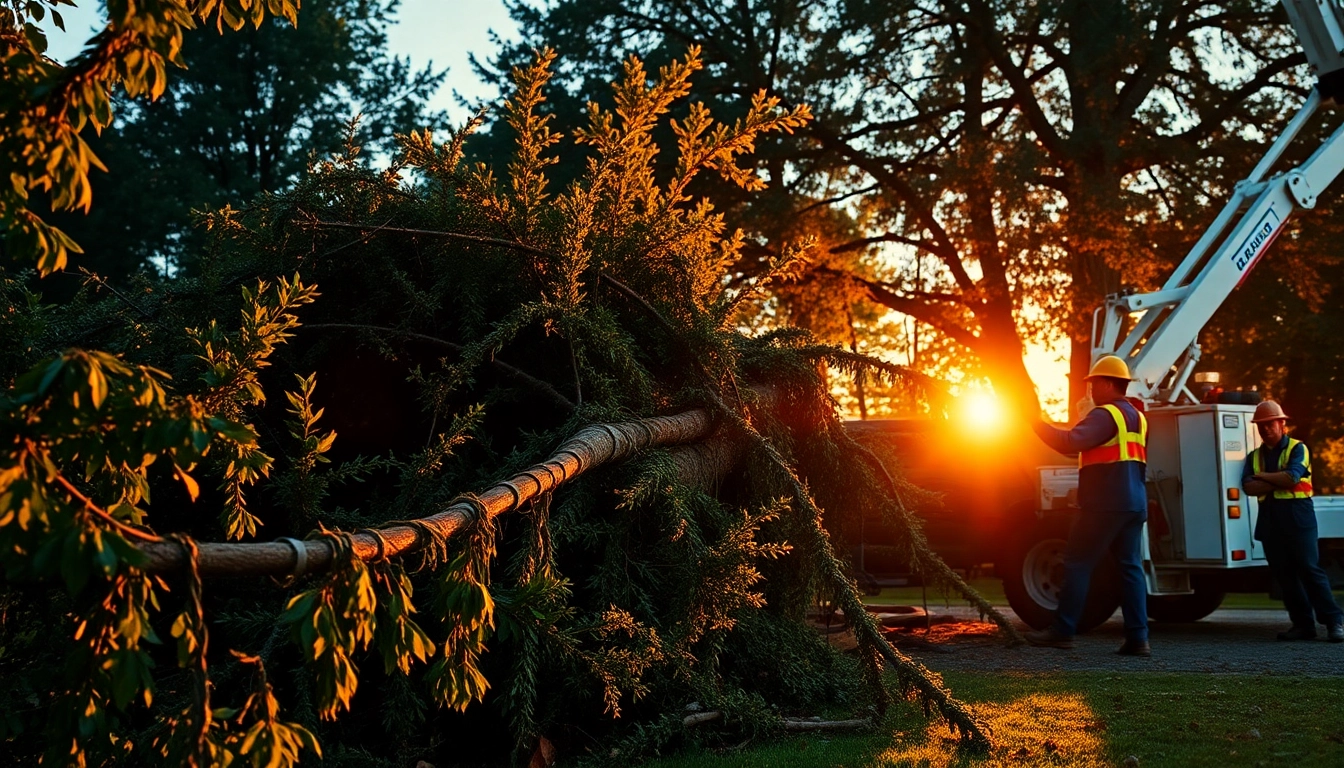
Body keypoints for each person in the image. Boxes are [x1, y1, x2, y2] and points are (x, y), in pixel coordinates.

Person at [1023, 355, 1151, 656]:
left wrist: (1035, 423)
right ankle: (1138, 638)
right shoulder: (1137, 416)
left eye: (1093, 384)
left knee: (1077, 564)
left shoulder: (1105, 415)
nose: (1090, 390)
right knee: (1131, 569)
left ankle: (1063, 630)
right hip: (1133, 503)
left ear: (1107, 383)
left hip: (1103, 504)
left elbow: (1068, 443)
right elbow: (1085, 448)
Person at [1241, 401, 1344, 642]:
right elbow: (1248, 487)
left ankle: (1334, 622)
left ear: (1282, 424)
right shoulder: (1254, 456)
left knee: (1310, 570)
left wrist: (1263, 477)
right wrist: (1277, 478)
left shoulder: (1299, 449)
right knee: (1284, 575)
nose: (1265, 429)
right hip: (1270, 520)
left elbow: (1292, 477)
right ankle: (1303, 625)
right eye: (1261, 425)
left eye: (1269, 424)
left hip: (1298, 517)